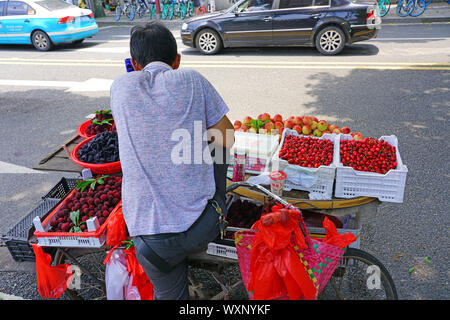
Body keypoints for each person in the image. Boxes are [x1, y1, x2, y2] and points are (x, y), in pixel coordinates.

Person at [110, 22, 234, 300]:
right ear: (177, 60)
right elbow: (226, 137)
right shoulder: (192, 79)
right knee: (221, 146)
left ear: (133, 63)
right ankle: (220, 209)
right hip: (202, 227)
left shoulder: (120, 88)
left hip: (150, 242)